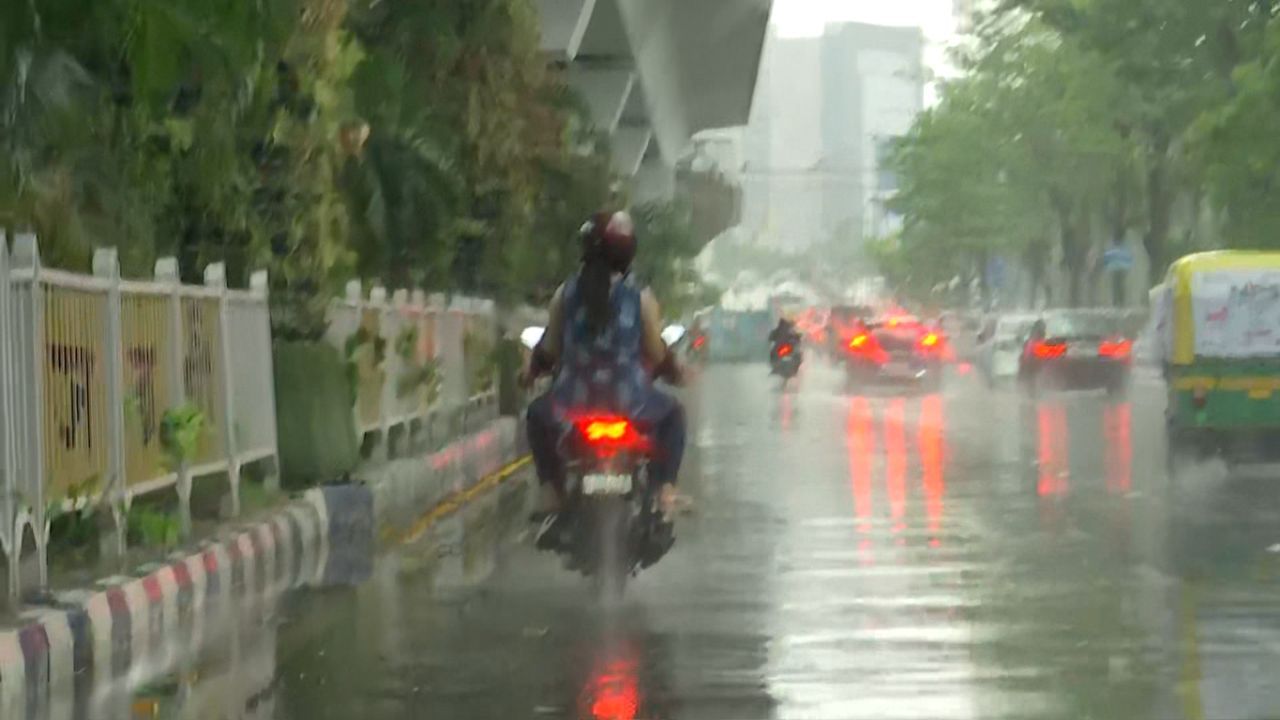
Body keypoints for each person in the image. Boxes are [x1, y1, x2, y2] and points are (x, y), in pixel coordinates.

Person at [520, 210, 686, 524]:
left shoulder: (565, 294)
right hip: (631, 402)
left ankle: (551, 491)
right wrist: (674, 370)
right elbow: (655, 352)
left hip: (573, 402)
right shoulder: (640, 297)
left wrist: (531, 370)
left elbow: (550, 349)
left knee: (535, 415)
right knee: (675, 415)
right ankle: (665, 489)